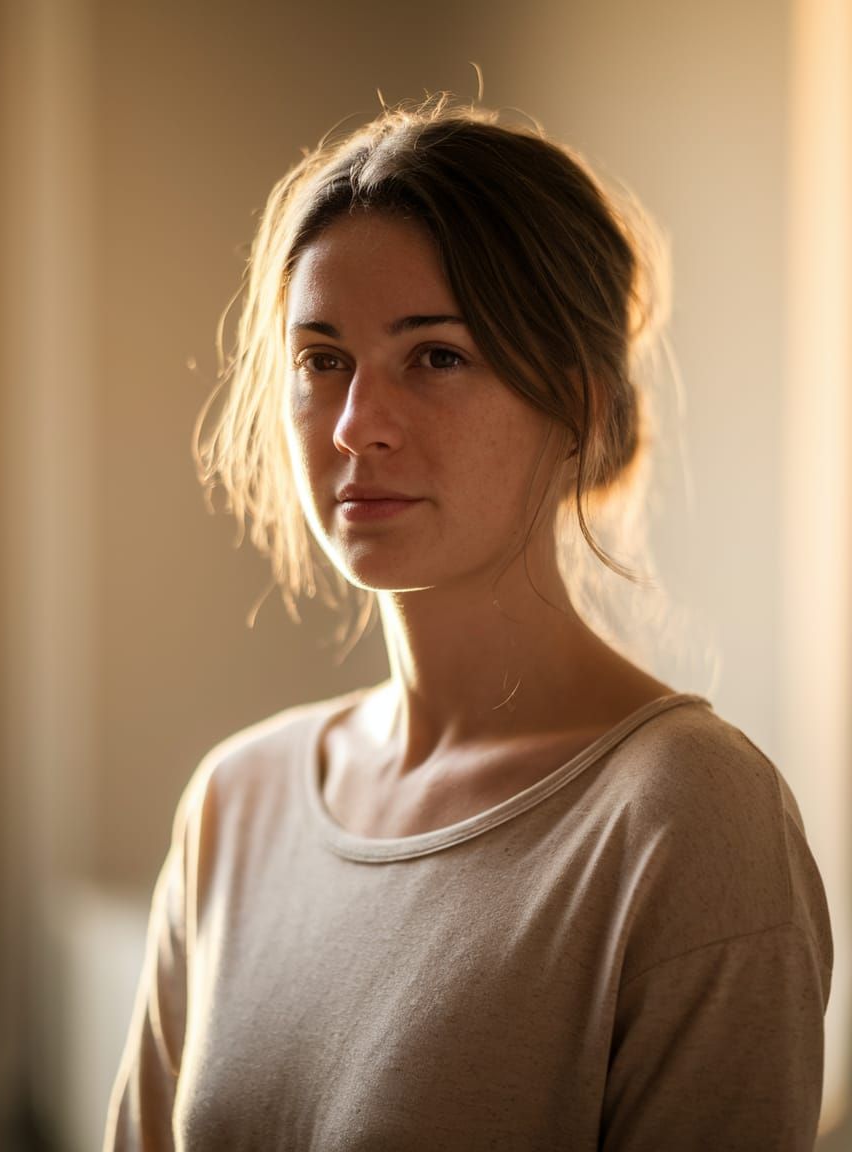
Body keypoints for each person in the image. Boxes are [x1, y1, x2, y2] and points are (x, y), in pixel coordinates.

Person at [104, 96, 832, 1151]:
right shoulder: (235, 802)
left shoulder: (688, 819)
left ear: (578, 407)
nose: (358, 425)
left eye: (435, 356)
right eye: (322, 360)